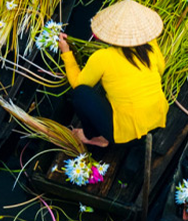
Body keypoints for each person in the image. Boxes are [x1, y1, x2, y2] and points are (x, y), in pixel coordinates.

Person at [56, 0, 168, 147]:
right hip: (158, 119)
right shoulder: (150, 46)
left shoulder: (103, 57)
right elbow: (161, 69)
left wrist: (66, 52)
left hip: (124, 134)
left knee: (80, 94)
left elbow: (78, 84)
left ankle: (93, 136)